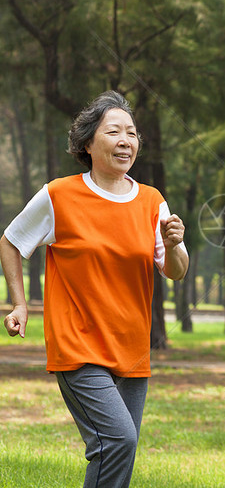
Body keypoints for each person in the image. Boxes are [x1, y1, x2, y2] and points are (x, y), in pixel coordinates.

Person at [0, 90, 189, 487]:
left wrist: (172, 246)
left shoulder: (153, 201)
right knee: (118, 440)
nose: (126, 140)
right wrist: (19, 304)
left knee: (120, 449)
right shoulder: (59, 195)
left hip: (132, 349)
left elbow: (176, 271)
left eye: (133, 133)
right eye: (114, 131)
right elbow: (11, 240)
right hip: (79, 346)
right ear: (87, 143)